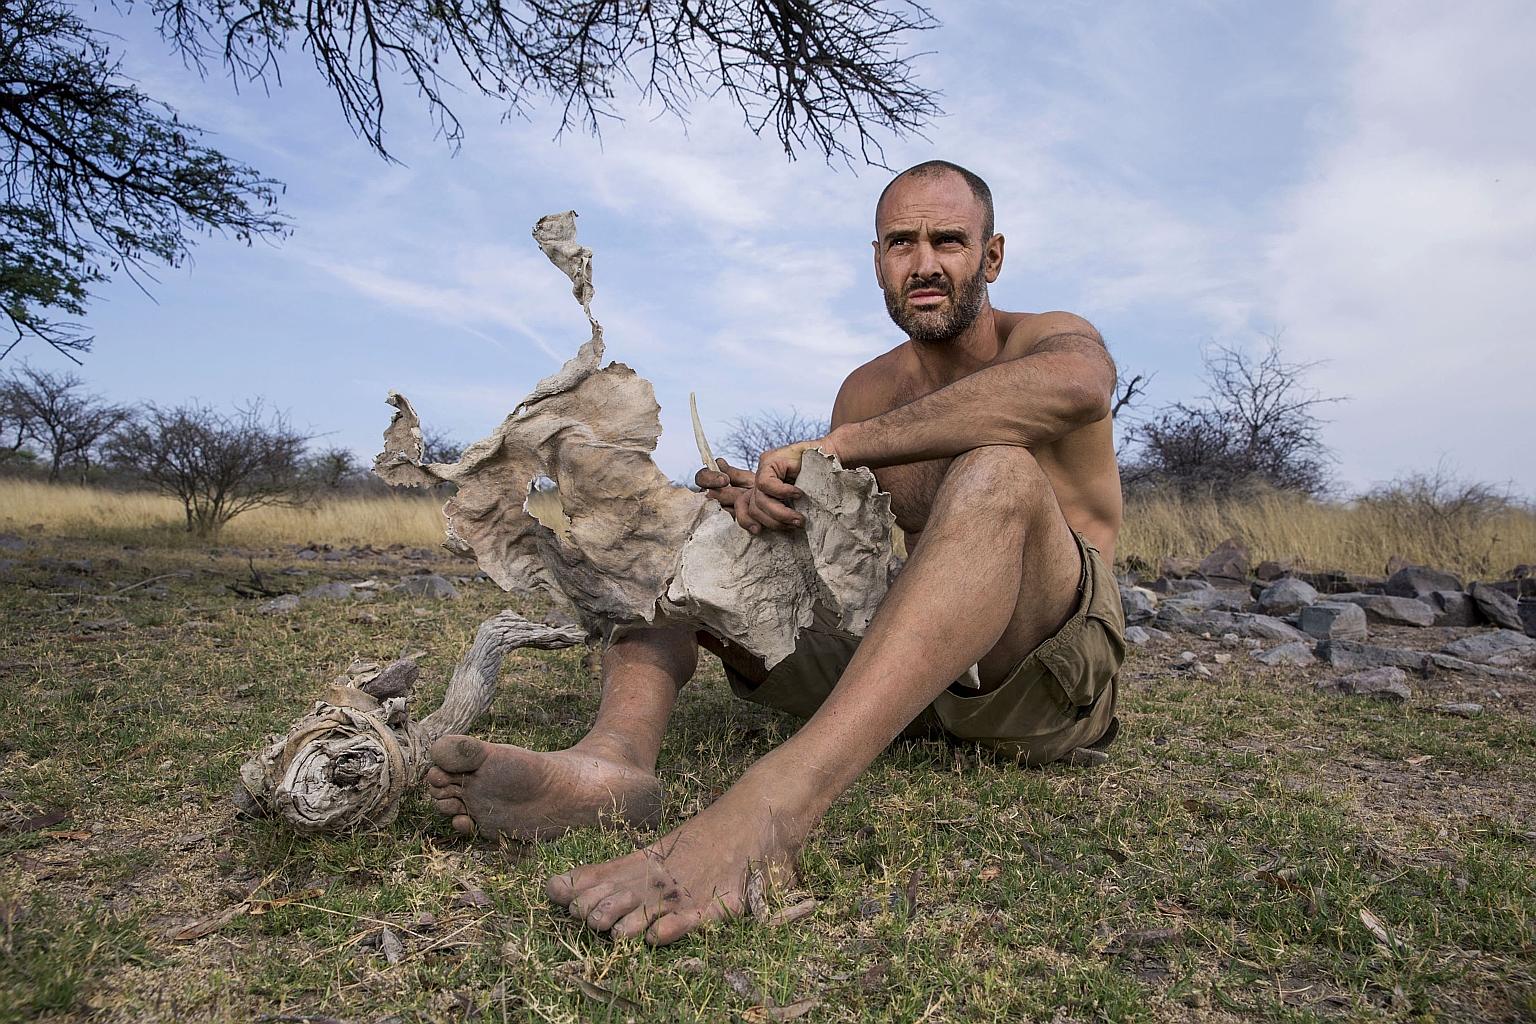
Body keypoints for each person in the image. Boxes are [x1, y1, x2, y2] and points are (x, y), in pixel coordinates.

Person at [425, 159, 1125, 945]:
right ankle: (613, 763)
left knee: (998, 470)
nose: (924, 263)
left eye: (949, 241)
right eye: (902, 242)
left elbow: (1079, 388)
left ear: (990, 257)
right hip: (920, 673)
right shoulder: (866, 388)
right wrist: (760, 510)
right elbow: (839, 550)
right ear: (877, 262)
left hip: (1042, 677)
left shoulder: (1047, 341)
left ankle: (774, 809)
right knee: (690, 526)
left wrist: (838, 447)